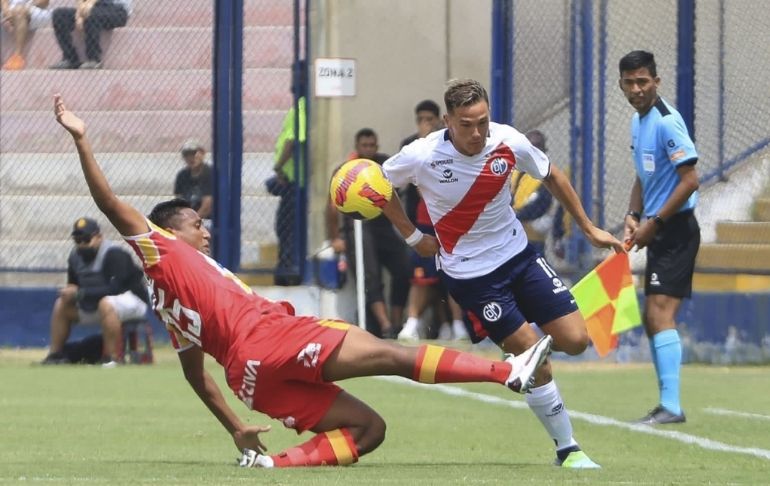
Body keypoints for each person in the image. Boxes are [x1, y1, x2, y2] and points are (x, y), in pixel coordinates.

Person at [54, 93, 554, 468]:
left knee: (369, 429)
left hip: (249, 378)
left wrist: (235, 428)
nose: (204, 231)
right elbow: (109, 203)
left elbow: (195, 377)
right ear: (169, 230)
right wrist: (81, 138)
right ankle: (506, 372)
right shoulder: (161, 251)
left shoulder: (172, 303)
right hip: (270, 339)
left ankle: (271, 463)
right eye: (196, 224)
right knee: (391, 354)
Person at [380, 79, 625, 468]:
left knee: (577, 340)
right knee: (535, 360)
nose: (477, 133)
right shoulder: (422, 155)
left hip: (520, 258)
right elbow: (379, 185)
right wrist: (413, 236)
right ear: (447, 121)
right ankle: (568, 448)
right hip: (473, 277)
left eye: (482, 121)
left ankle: (516, 344)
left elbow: (553, 176)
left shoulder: (508, 141)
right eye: (465, 124)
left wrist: (588, 227)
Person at [618, 50, 700, 425]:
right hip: (658, 228)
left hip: (676, 229)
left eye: (643, 82)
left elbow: (690, 180)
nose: (636, 89)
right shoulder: (639, 121)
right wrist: (634, 215)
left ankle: (672, 406)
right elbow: (643, 175)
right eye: (629, 82)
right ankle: (668, 403)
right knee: (653, 317)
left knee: (659, 314)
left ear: (656, 82)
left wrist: (655, 224)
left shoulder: (667, 121)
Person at [327, 128, 411, 338]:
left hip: (383, 227)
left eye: (372, 145)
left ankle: (396, 323)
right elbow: (331, 207)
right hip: (357, 228)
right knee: (370, 275)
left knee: (404, 267)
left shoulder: (383, 167)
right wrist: (335, 237)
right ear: (357, 147)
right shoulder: (344, 170)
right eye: (364, 145)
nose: (368, 149)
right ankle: (385, 326)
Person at [397, 100, 468, 342]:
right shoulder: (412, 147)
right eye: (421, 120)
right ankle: (412, 324)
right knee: (421, 277)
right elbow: (411, 184)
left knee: (454, 275)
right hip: (425, 219)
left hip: (449, 221)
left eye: (430, 119)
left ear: (440, 119)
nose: (425, 124)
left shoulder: (454, 144)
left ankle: (458, 326)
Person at [41, 216, 149, 366]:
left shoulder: (114, 254)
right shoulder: (75, 256)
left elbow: (116, 288)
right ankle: (55, 355)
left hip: (133, 303)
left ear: (98, 237)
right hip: (98, 305)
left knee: (107, 303)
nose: (82, 244)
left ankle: (111, 358)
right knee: (62, 303)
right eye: (78, 240)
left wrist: (81, 293)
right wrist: (71, 292)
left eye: (86, 239)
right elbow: (75, 286)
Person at [269, 62, 306, 285]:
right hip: (291, 182)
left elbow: (292, 141)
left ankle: (287, 272)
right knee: (285, 227)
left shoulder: (301, 106)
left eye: (298, 76)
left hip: (294, 182)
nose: (294, 81)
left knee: (287, 229)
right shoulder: (299, 106)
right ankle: (286, 269)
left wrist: (278, 167)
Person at [49, 0, 131, 69]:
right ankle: (70, 58)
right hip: (92, 8)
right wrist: (79, 15)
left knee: (91, 14)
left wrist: (90, 4)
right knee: (59, 14)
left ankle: (94, 59)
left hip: (117, 10)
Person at [510, 130, 554, 256]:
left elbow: (541, 205)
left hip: (532, 235)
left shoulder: (545, 175)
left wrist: (516, 217)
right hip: (513, 234)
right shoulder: (516, 172)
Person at [1, 0, 51, 70]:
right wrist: (8, 15)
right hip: (10, 10)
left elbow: (44, 2)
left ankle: (17, 56)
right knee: (17, 11)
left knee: (19, 11)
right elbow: (4, 3)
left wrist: (28, 5)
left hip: (33, 9)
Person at [174, 139, 213, 221]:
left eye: (193, 154)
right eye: (187, 155)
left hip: (209, 219)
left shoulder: (210, 173)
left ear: (202, 153)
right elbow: (179, 202)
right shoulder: (182, 175)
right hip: (189, 220)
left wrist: (193, 221)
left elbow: (207, 205)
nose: (191, 158)